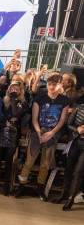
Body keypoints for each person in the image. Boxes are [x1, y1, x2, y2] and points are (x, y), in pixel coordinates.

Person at [16, 72, 70, 200]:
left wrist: (51, 133)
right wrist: (39, 132)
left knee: (45, 163)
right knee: (29, 160)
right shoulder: (40, 98)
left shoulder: (64, 100)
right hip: (37, 131)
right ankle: (21, 185)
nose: (51, 87)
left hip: (52, 133)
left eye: (55, 84)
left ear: (60, 85)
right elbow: (34, 118)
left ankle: (40, 187)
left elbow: (62, 120)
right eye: (49, 84)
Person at [0, 80, 29, 196]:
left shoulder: (23, 103)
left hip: (14, 133)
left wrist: (14, 100)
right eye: (12, 88)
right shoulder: (3, 100)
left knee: (8, 161)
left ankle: (6, 185)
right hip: (2, 131)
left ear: (20, 91)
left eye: (17, 89)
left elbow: (16, 114)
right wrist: (5, 121)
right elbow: (0, 114)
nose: (14, 90)